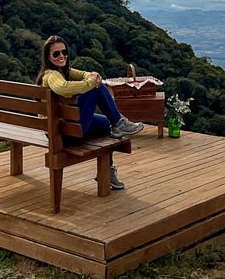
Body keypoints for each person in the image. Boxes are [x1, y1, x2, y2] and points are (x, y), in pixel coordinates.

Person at [36, 34, 144, 190]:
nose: (62, 56)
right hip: (64, 134)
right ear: (47, 56)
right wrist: (91, 83)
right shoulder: (51, 75)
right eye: (56, 53)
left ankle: (106, 172)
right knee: (96, 89)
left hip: (62, 127)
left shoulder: (64, 70)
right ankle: (119, 122)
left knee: (109, 125)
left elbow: (83, 74)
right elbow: (63, 87)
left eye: (64, 52)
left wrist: (92, 75)